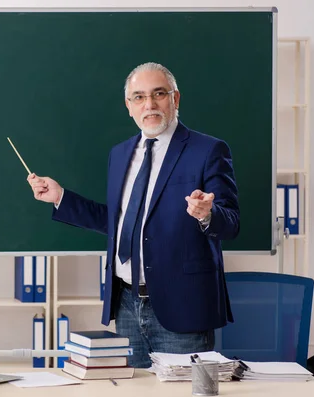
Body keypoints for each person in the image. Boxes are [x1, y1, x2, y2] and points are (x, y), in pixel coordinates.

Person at [27, 62, 239, 368]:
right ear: (129, 106)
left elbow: (231, 222)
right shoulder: (121, 153)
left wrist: (207, 214)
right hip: (126, 303)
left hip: (182, 307)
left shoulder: (208, 150)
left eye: (159, 94)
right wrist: (60, 197)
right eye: (138, 97)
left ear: (175, 99)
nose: (149, 104)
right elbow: (119, 223)